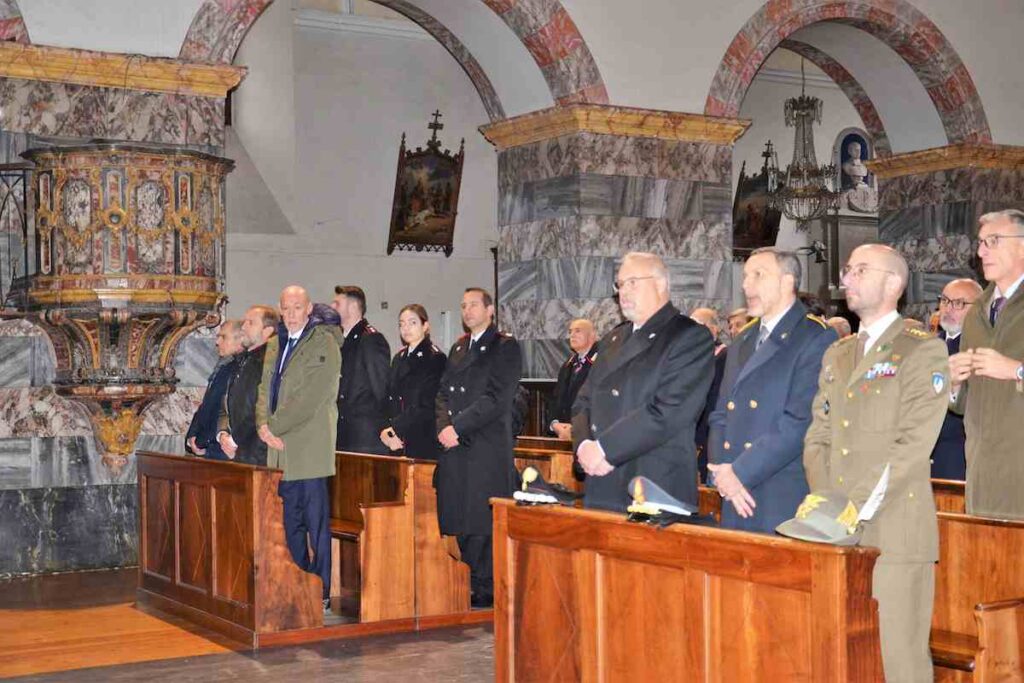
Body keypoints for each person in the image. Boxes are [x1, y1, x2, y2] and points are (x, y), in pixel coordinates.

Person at [804, 244, 948, 682]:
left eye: (860, 270)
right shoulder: (839, 353)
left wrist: (857, 507)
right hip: (837, 526)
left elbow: (911, 447)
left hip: (894, 530)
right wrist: (828, 503)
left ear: (893, 283)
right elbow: (819, 435)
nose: (846, 278)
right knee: (843, 656)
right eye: (847, 270)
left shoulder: (922, 351)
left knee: (897, 660)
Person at [572, 252, 714, 512]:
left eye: (633, 282)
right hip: (602, 478)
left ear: (660, 284)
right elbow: (584, 400)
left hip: (652, 482)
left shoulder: (687, 336)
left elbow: (668, 412)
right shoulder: (613, 339)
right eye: (620, 284)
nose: (623, 291)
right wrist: (583, 446)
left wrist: (605, 449)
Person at [707, 248, 837, 532]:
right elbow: (720, 413)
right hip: (734, 490)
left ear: (787, 281)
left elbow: (799, 421)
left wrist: (740, 472)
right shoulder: (745, 338)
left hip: (776, 490)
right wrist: (720, 472)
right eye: (745, 277)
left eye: (758, 275)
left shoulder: (814, 336)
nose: (746, 285)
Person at [255, 285, 342, 612]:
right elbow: (264, 388)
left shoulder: (324, 343)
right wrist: (263, 425)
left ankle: (319, 589)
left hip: (308, 447)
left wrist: (273, 427)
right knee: (289, 522)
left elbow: (311, 397)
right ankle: (297, 583)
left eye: (297, 308)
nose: (291, 314)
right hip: (278, 449)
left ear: (309, 310)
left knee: (316, 523)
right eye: (286, 309)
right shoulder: (276, 342)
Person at [435, 287, 522, 607]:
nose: (467, 310)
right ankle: (470, 579)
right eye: (463, 305)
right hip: (456, 444)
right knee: (460, 513)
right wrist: (444, 426)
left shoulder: (504, 347)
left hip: (484, 444)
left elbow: (497, 399)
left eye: (474, 305)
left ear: (490, 310)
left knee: (481, 519)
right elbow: (443, 392)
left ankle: (486, 585)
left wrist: (458, 427)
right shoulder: (459, 348)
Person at [950, 209, 1024, 519]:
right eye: (980, 243)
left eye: (992, 241)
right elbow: (967, 405)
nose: (981, 252)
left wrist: (1017, 370)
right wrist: (953, 384)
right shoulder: (978, 310)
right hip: (984, 474)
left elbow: (1010, 371)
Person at [930, 278, 982, 480]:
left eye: (959, 303)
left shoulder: (979, 349)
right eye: (944, 300)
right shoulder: (929, 346)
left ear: (979, 309)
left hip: (958, 455)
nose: (948, 309)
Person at [380, 304, 446, 460]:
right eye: (401, 324)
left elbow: (427, 404)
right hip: (396, 440)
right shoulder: (399, 358)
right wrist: (386, 430)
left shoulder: (435, 358)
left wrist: (394, 429)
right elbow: (389, 398)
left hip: (422, 439)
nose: (406, 328)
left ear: (425, 326)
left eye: (412, 322)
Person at [217, 305, 280, 466]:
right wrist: (224, 434)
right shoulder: (245, 359)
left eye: (250, 323)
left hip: (259, 452)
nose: (243, 327)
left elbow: (259, 406)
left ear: (267, 331)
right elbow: (228, 400)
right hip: (243, 450)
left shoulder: (268, 361)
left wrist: (234, 439)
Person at [331, 285, 391, 454]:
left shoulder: (371, 339)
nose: (332, 307)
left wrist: (383, 428)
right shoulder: (341, 340)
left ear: (352, 307)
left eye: (337, 303)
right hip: (344, 431)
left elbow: (381, 389)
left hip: (365, 436)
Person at [185, 320, 243, 461]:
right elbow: (206, 405)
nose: (217, 342)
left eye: (223, 337)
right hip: (210, 447)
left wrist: (201, 441)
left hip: (223, 448)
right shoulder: (223, 366)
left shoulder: (238, 369)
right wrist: (192, 437)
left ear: (240, 339)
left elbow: (219, 409)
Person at [690, 307, 727, 483]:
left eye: (697, 325)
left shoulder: (725, 358)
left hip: (711, 437)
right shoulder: (689, 359)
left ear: (713, 330)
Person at [548, 318, 598, 441]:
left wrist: (576, 429)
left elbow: (600, 404)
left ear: (591, 336)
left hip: (589, 437)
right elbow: (556, 399)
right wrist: (555, 424)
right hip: (563, 435)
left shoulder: (601, 363)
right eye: (570, 331)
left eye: (578, 331)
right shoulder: (568, 365)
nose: (572, 335)